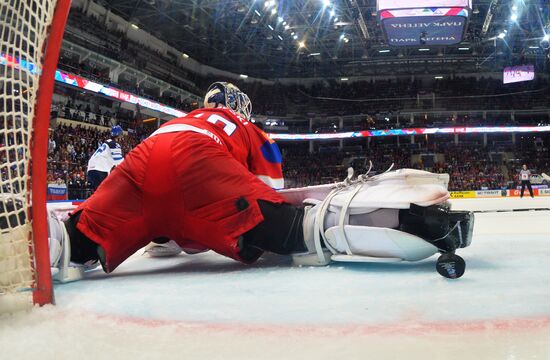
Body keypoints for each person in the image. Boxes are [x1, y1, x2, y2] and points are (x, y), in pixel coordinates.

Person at [47, 82, 474, 282]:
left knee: (74, 239)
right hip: (202, 167)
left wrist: (170, 229)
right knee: (298, 227)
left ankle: (30, 242)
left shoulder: (181, 119)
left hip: (142, 165)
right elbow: (275, 192)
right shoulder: (245, 128)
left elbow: (166, 201)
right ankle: (422, 224)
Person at [86, 125, 124, 192]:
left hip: (90, 169)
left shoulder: (106, 143)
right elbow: (119, 162)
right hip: (100, 169)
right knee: (106, 192)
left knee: (98, 193)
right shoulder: (114, 144)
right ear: (119, 135)